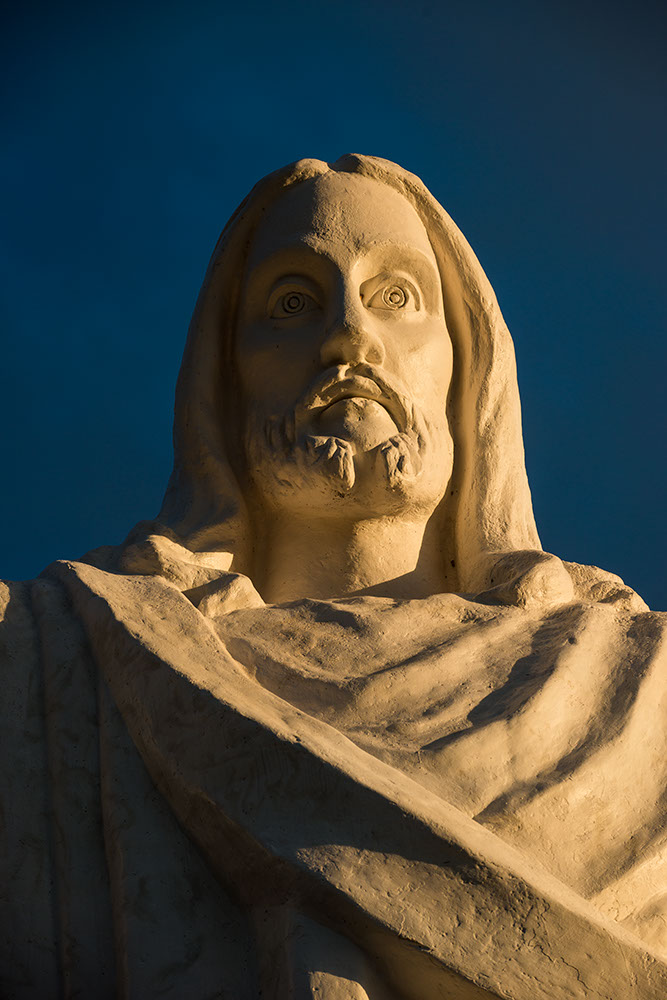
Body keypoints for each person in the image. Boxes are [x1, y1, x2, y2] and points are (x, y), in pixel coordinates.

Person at [2, 155, 666, 999]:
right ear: (223, 380)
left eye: (396, 297)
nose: (348, 338)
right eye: (291, 303)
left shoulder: (642, 688)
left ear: (470, 368)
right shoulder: (52, 666)